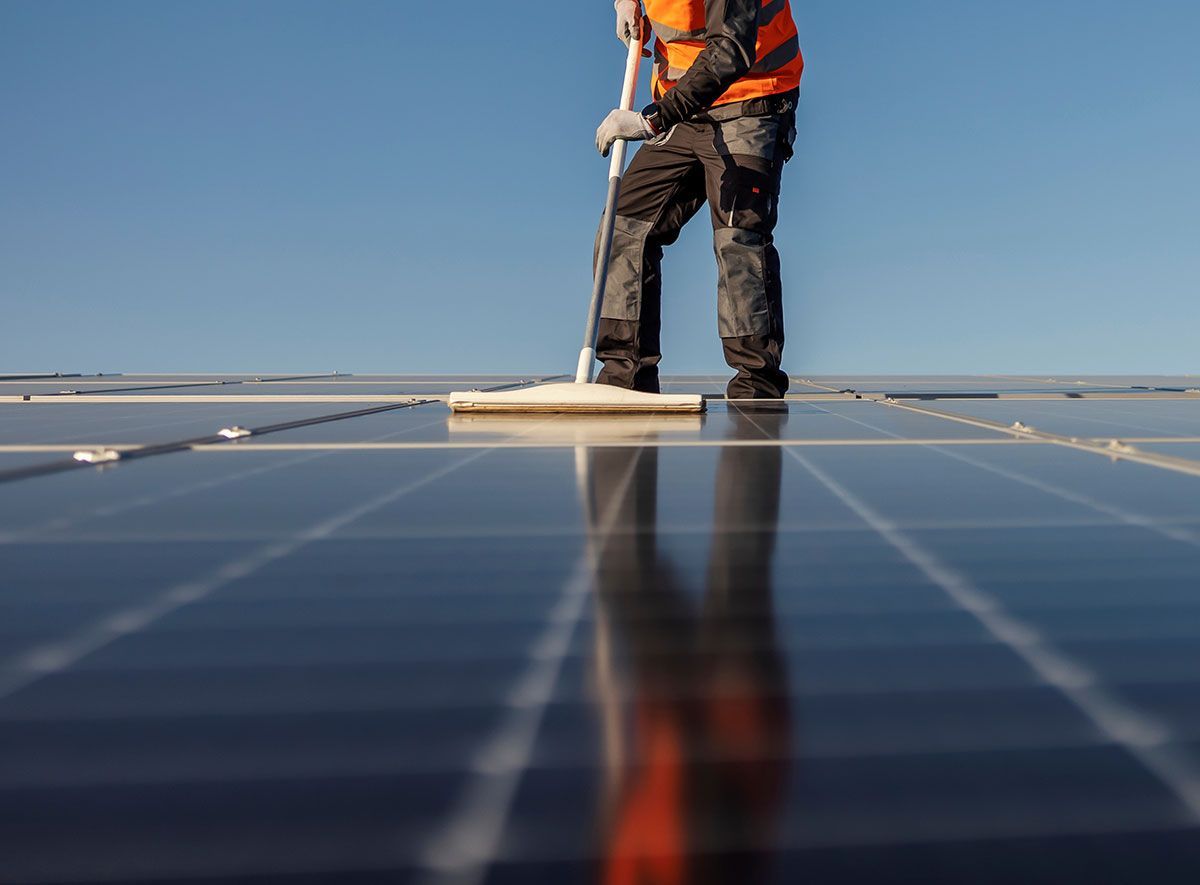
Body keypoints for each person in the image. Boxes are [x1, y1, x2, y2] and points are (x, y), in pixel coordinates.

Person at [594, 0, 804, 400]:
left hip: (751, 98)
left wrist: (652, 120)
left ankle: (756, 386)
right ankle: (625, 381)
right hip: (685, 108)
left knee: (738, 236)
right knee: (624, 228)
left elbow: (730, 50)